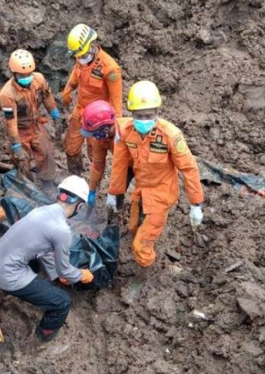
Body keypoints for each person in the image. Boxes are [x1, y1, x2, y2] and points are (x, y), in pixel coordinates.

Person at [108, 81, 204, 268]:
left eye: (149, 115)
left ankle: (144, 272)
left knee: (141, 245)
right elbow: (119, 165)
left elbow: (189, 169)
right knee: (133, 227)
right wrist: (114, 193)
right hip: (142, 189)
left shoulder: (170, 135)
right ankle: (141, 241)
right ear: (132, 114)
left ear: (157, 112)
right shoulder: (126, 131)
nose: (144, 120)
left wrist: (196, 204)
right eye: (139, 116)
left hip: (161, 193)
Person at [0, 176, 94, 342]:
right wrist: (81, 275)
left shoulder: (40, 211)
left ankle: (30, 286)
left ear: (60, 195)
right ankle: (42, 338)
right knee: (62, 303)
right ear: (79, 206)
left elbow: (43, 249)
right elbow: (65, 270)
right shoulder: (61, 230)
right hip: (7, 277)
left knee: (36, 262)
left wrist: (56, 273)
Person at [61, 23, 122, 176]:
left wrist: (116, 128)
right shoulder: (81, 58)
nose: (79, 58)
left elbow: (116, 101)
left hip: (97, 117)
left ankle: (95, 183)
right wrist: (68, 90)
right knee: (71, 147)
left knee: (94, 152)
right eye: (77, 56)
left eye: (81, 54)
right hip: (80, 110)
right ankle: (75, 178)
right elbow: (76, 74)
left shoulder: (110, 68)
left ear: (92, 45)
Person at [0, 49, 58, 192]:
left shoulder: (39, 79)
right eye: (22, 75)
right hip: (19, 130)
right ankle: (28, 188)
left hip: (36, 125)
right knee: (22, 160)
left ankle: (48, 183)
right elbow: (11, 122)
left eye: (29, 74)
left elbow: (47, 97)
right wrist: (16, 144)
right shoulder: (7, 94)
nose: (27, 77)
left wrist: (55, 114)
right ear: (14, 73)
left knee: (46, 152)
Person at [79, 100, 134, 212]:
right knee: (117, 192)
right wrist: (92, 190)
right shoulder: (101, 138)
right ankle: (117, 211)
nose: (94, 137)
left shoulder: (129, 131)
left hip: (145, 165)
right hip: (125, 166)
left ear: (105, 128)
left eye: (94, 133)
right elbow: (98, 165)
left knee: (142, 198)